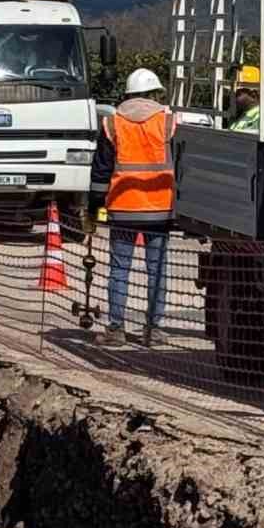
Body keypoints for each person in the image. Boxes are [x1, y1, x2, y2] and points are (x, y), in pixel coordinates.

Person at [90, 67, 178, 348]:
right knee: (157, 269)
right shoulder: (167, 121)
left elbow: (101, 170)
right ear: (154, 92)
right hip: (159, 207)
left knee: (119, 269)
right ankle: (152, 329)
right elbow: (180, 163)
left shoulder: (113, 123)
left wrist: (94, 206)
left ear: (127, 93)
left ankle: (116, 329)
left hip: (123, 206)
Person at [227, 64, 261, 133]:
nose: (231, 95)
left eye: (238, 93)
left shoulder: (260, 118)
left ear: (253, 94)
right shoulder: (238, 115)